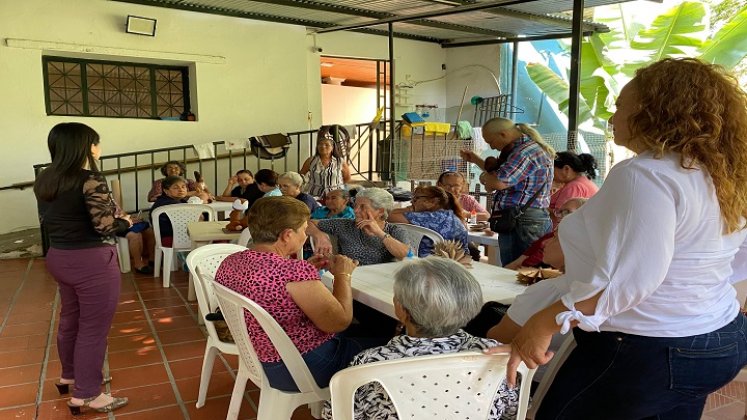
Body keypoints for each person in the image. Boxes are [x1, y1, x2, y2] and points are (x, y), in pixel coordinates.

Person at [494, 58, 747, 419]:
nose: (612, 118)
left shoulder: (645, 174)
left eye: (619, 107)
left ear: (654, 111)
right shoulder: (719, 174)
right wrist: (701, 295)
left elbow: (632, 281)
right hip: (720, 336)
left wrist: (543, 322)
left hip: (646, 349)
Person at [214, 196, 382, 391]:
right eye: (303, 230)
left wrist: (306, 272)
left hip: (260, 358)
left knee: (366, 330)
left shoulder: (230, 262)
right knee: (387, 340)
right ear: (287, 235)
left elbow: (273, 287)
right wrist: (343, 274)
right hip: (302, 368)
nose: (304, 235)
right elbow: (340, 321)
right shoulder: (292, 273)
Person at [321, 257, 520, 420]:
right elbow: (512, 410)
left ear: (401, 310)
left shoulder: (372, 361)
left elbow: (333, 414)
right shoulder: (496, 354)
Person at [34, 122, 129, 414]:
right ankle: (87, 394)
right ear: (86, 147)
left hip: (60, 256)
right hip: (91, 261)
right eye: (95, 143)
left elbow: (56, 219)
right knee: (93, 330)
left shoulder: (46, 178)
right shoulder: (90, 179)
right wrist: (125, 222)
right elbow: (104, 226)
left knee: (71, 320)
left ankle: (71, 375)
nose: (98, 148)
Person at [460, 118, 554, 266]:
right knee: (515, 269)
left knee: (521, 270)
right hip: (520, 218)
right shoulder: (516, 150)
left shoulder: (524, 152)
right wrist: (477, 161)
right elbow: (498, 176)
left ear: (503, 134)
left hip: (523, 220)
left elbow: (497, 182)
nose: (492, 146)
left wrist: (485, 177)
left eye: (491, 141)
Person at [307, 187, 410, 265]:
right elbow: (307, 223)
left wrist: (379, 233)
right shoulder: (345, 225)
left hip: (380, 280)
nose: (356, 210)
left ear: (380, 211)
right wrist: (319, 236)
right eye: (355, 205)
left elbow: (407, 256)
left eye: (362, 207)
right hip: (348, 277)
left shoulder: (394, 231)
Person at [503, 198, 587, 270]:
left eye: (566, 212)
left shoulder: (578, 248)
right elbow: (516, 263)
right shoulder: (547, 237)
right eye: (559, 212)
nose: (559, 216)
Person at [388, 186, 469, 257]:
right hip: (458, 263)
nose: (411, 202)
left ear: (433, 201)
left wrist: (410, 209)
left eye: (416, 199)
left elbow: (388, 216)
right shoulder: (449, 216)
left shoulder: (429, 217)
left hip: (428, 264)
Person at [549, 152, 599, 226]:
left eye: (552, 170)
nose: (550, 174)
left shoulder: (574, 187)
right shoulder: (584, 182)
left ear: (566, 169)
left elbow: (560, 217)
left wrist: (541, 208)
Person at [301, 127, 352, 198]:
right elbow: (301, 175)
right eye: (320, 144)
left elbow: (347, 178)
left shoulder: (339, 161)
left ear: (332, 148)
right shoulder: (311, 160)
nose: (323, 147)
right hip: (314, 195)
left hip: (336, 196)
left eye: (326, 145)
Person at [151, 175, 189, 247]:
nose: (181, 190)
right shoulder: (168, 204)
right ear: (166, 191)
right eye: (175, 187)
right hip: (174, 238)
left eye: (183, 187)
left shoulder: (179, 200)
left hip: (181, 235)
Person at [147, 160, 211, 202]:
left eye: (176, 168)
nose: (173, 170)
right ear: (165, 170)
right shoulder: (160, 182)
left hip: (190, 206)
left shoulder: (188, 181)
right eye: (170, 168)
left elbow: (199, 192)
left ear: (181, 170)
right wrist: (187, 194)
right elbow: (154, 198)